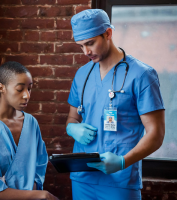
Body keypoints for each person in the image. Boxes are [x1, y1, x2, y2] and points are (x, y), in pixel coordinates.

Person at [66, 9, 165, 199]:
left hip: (120, 179)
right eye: (81, 46)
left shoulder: (142, 75)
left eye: (90, 43)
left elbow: (156, 134)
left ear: (108, 34)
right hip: (82, 178)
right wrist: (72, 127)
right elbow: (72, 117)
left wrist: (122, 162)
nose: (86, 52)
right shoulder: (82, 75)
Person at [0, 61, 59, 200]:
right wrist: (36, 195)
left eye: (29, 89)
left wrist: (31, 193)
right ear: (2, 88)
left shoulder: (31, 123)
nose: (27, 95)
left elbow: (38, 167)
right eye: (20, 89)